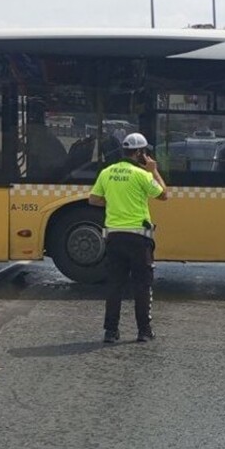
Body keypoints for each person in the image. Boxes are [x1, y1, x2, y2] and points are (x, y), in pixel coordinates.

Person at [88, 132, 169, 344]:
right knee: (142, 285)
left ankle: (111, 332)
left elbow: (94, 199)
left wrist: (115, 203)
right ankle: (144, 331)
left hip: (114, 237)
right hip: (138, 239)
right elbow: (164, 195)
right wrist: (154, 172)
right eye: (146, 152)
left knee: (115, 285)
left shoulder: (107, 172)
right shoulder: (142, 175)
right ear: (141, 153)